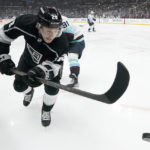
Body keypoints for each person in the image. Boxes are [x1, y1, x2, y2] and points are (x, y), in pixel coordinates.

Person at [0, 6, 85, 127]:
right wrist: (2, 57)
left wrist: (41, 72)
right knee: (18, 86)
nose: (52, 35)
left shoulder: (62, 42)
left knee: (52, 91)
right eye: (48, 30)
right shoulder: (25, 22)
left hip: (49, 65)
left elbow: (55, 66)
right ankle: (29, 92)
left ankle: (46, 110)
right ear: (38, 25)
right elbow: (2, 36)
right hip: (28, 60)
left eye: (56, 30)